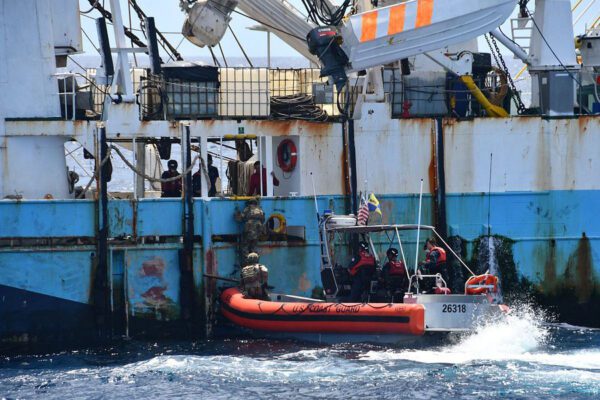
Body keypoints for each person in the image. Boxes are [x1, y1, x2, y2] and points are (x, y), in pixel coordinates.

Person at [234, 198, 266, 265]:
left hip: (249, 231)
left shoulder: (248, 209)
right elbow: (263, 220)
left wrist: (237, 213)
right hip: (257, 232)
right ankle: (255, 263)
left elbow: (240, 219)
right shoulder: (260, 210)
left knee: (245, 247)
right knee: (254, 247)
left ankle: (247, 263)